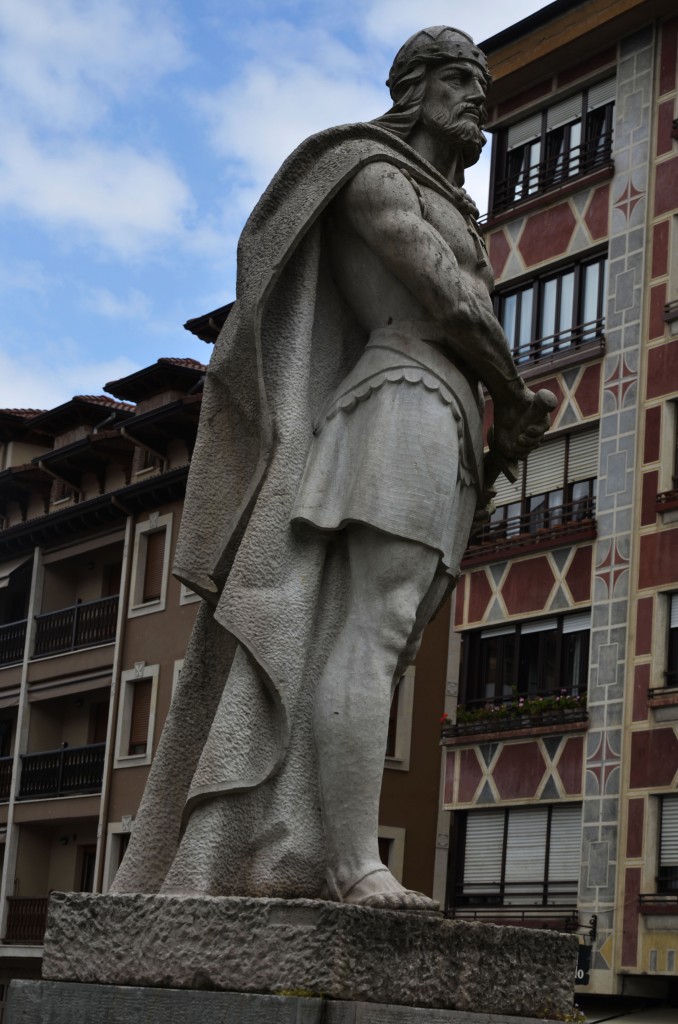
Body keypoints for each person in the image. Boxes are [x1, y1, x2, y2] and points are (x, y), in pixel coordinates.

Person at [112, 26, 553, 911]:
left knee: (385, 644)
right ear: (415, 88)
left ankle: (314, 847)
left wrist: (497, 414)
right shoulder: (371, 172)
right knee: (374, 631)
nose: (479, 97)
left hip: (447, 415)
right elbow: (443, 294)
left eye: (483, 84)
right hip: (400, 398)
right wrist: (513, 385)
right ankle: (355, 864)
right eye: (462, 79)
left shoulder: (448, 198)